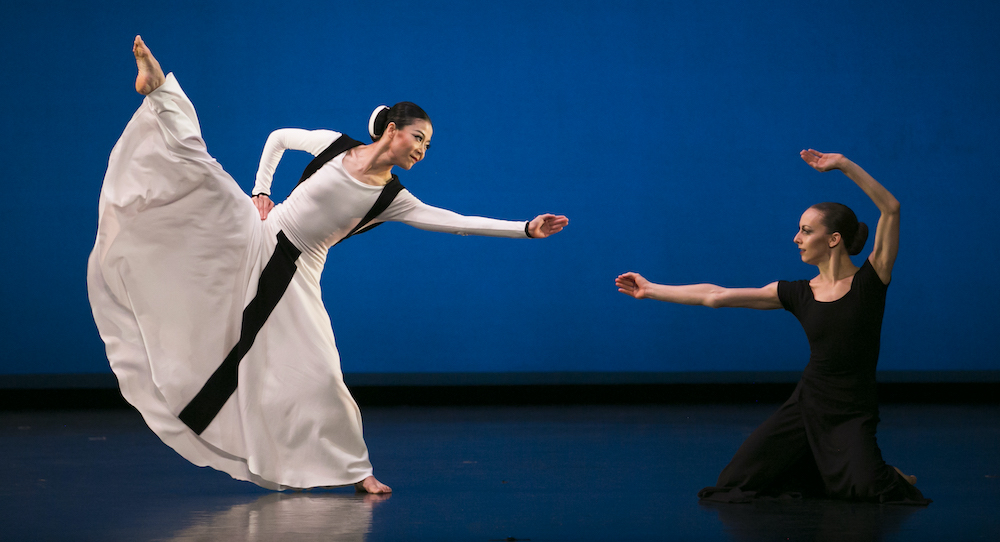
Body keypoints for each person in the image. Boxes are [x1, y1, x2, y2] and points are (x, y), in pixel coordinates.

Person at [87, 36, 568, 493]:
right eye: (418, 137)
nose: (423, 149)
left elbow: (457, 222)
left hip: (296, 276)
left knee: (322, 373)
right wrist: (261, 190)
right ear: (392, 130)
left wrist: (524, 227)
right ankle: (161, 91)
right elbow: (277, 138)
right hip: (258, 235)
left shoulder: (392, 198)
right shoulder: (335, 146)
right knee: (199, 172)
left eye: (429, 145)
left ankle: (356, 470)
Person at [615, 150, 929, 505]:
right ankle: (832, 465)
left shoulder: (871, 282)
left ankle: (887, 472)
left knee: (867, 490)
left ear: (834, 239)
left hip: (852, 410)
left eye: (806, 231)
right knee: (736, 481)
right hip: (807, 403)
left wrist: (842, 164)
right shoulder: (798, 292)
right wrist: (651, 289)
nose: (796, 238)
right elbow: (716, 296)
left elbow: (891, 208)